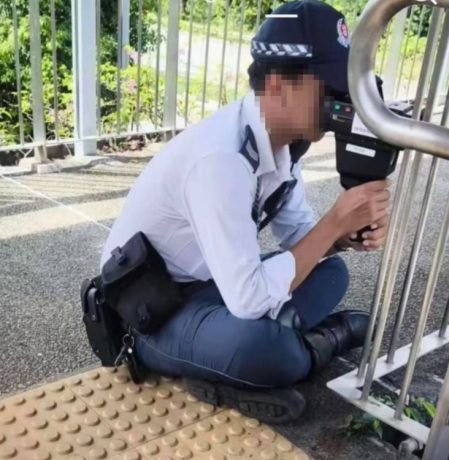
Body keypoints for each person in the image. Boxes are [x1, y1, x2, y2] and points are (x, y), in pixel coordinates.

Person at [99, 0, 390, 423]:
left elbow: (297, 234)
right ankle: (306, 346)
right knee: (268, 350)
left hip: (215, 283)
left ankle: (242, 354)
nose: (338, 104)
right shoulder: (221, 160)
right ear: (277, 85)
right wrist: (333, 224)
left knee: (333, 271)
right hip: (152, 313)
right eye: (327, 88)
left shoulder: (286, 142)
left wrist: (344, 234)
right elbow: (250, 297)